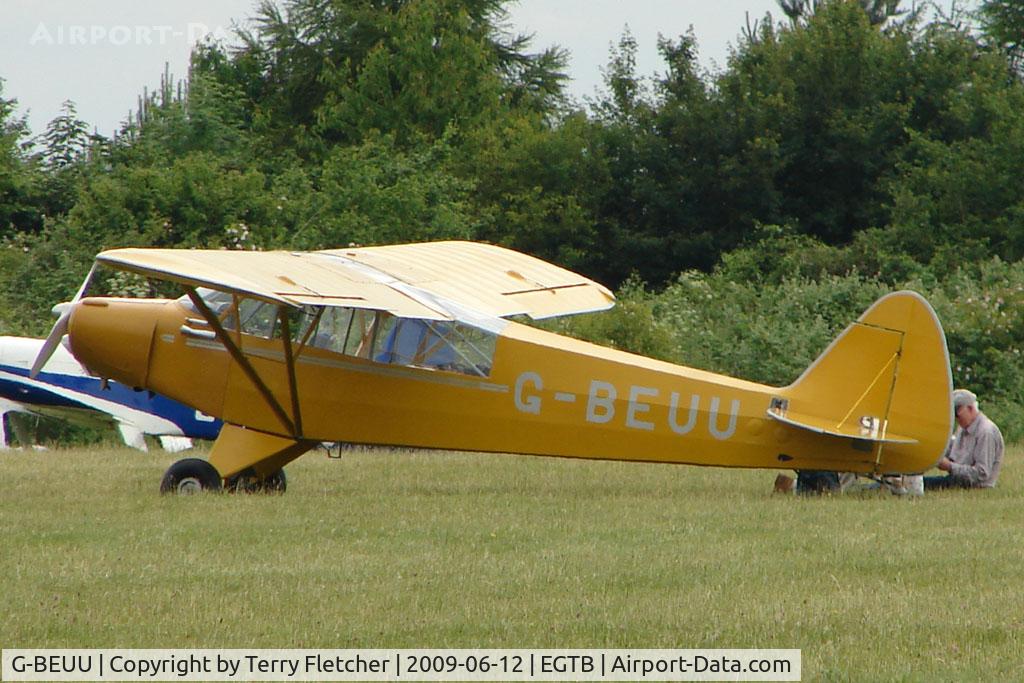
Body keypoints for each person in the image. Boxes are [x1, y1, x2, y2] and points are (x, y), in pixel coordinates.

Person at [924, 389, 1004, 490]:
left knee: (922, 486)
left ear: (970, 408)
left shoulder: (986, 432)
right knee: (917, 482)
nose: (955, 418)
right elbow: (950, 452)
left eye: (957, 412)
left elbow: (981, 474)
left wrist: (949, 466)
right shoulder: (963, 427)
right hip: (956, 480)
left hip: (975, 486)